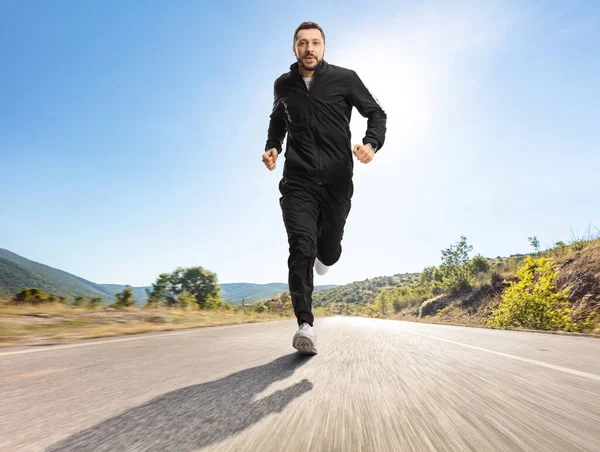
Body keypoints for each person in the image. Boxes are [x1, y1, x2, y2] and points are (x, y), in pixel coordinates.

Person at [262, 21, 387, 355]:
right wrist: (273, 146)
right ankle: (306, 324)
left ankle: (326, 253)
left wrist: (371, 144)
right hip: (298, 181)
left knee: (327, 250)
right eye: (302, 43)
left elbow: (376, 113)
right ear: (294, 49)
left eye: (315, 43)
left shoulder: (345, 79)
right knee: (301, 246)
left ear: (324, 47)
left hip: (337, 181)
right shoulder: (283, 85)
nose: (309, 49)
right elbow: (277, 119)